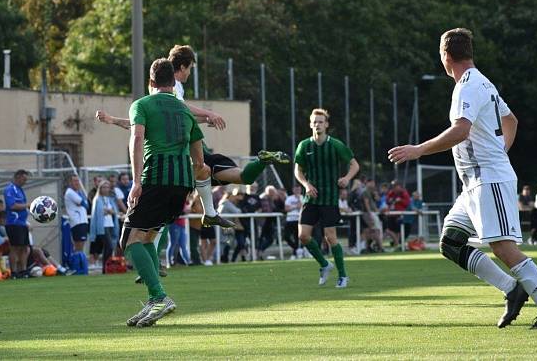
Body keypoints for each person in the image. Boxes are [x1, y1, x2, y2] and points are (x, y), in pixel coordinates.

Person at [388, 27, 537, 329]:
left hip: (488, 179)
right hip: (474, 183)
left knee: (503, 248)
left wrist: (418, 150)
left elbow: (461, 130)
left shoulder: (468, 85)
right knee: (450, 242)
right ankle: (512, 289)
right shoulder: (482, 83)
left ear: (446, 55)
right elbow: (511, 120)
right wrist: (502, 149)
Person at [97, 44, 290, 229]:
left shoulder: (154, 97)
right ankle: (255, 168)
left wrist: (113, 120)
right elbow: (180, 111)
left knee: (220, 177)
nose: (190, 73)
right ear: (180, 68)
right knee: (229, 174)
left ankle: (210, 214)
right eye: (189, 68)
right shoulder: (173, 88)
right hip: (183, 154)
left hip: (186, 156)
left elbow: (164, 123)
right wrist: (208, 114)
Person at [121, 58, 209, 327]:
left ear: (151, 82)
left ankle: (159, 297)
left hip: (156, 179)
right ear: (174, 82)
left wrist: (136, 181)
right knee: (147, 237)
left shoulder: (142, 105)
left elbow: (136, 138)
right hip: (181, 184)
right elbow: (199, 158)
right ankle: (153, 300)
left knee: (129, 240)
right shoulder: (184, 110)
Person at [294, 108, 360, 289]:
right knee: (303, 236)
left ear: (327, 124)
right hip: (311, 199)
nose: (317, 124)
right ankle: (324, 264)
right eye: (315, 121)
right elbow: (298, 170)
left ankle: (343, 276)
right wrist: (306, 185)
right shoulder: (304, 146)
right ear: (310, 124)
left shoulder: (336, 145)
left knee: (330, 238)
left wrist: (347, 178)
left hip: (330, 198)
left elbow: (354, 165)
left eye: (321, 121)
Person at [3, 169, 31, 276]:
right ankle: (13, 272)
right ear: (18, 177)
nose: (25, 182)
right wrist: (28, 205)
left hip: (22, 223)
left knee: (25, 247)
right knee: (15, 247)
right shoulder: (9, 189)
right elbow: (12, 206)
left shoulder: (20, 190)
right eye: (24, 179)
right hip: (13, 223)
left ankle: (23, 270)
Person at [89, 179, 119, 273]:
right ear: (100, 188)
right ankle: (105, 267)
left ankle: (106, 268)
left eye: (107, 187)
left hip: (111, 225)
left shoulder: (110, 199)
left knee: (108, 247)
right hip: (102, 227)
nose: (106, 189)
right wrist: (104, 212)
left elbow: (115, 212)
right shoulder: (97, 199)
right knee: (109, 246)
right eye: (104, 187)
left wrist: (111, 211)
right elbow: (95, 214)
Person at [63, 173, 89, 271]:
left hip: (82, 221)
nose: (77, 183)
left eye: (78, 181)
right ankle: (77, 267)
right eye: (74, 181)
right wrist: (84, 202)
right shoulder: (70, 192)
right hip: (77, 221)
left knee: (81, 245)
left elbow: (86, 203)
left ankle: (80, 266)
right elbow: (84, 203)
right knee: (78, 246)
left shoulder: (78, 192)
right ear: (70, 182)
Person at [284, 184, 302, 258]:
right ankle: (297, 249)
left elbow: (302, 207)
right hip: (290, 220)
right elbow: (286, 209)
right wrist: (295, 206)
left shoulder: (303, 197)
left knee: (297, 237)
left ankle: (295, 253)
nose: (297, 191)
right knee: (286, 236)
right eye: (295, 189)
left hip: (300, 220)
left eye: (298, 189)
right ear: (293, 190)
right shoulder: (289, 198)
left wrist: (298, 203)